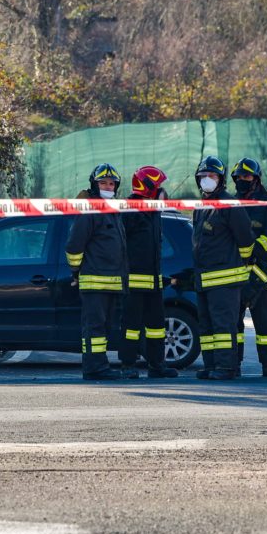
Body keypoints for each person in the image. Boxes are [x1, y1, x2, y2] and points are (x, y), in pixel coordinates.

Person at [66, 163, 134, 380]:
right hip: (94, 282)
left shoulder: (113, 210)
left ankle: (100, 365)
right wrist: (76, 271)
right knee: (94, 328)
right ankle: (94, 368)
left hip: (112, 283)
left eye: (111, 184)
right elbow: (74, 246)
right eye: (103, 183)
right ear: (94, 185)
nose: (108, 187)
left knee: (103, 328)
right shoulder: (90, 210)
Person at [191, 156, 255, 380]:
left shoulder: (230, 204)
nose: (207, 179)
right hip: (204, 278)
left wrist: (240, 262)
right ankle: (211, 365)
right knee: (207, 328)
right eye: (203, 176)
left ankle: (226, 367)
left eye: (212, 175)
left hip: (225, 280)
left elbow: (246, 239)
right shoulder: (201, 206)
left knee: (223, 327)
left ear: (220, 179)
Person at [120, 166, 178, 378]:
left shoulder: (153, 210)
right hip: (134, 281)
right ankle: (128, 365)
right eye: (159, 186)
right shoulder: (129, 208)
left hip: (154, 280)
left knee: (156, 327)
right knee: (131, 327)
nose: (162, 190)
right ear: (147, 187)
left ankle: (157, 365)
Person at [231, 157, 267, 378]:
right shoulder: (231, 203)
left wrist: (253, 249)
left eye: (246, 176)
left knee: (265, 323)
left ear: (256, 179)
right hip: (237, 273)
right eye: (239, 177)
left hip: (261, 274)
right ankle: (235, 362)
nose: (242, 180)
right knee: (235, 324)